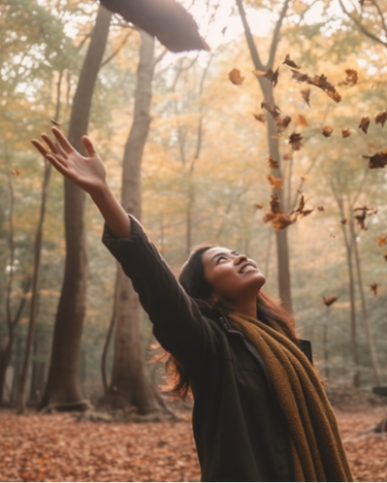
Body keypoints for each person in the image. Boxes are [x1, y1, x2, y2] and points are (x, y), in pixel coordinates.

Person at [31, 128, 352, 482]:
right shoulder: (210, 345)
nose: (239, 257)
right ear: (209, 294)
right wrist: (102, 192)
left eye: (235, 253)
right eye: (222, 261)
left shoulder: (284, 348)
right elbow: (158, 285)